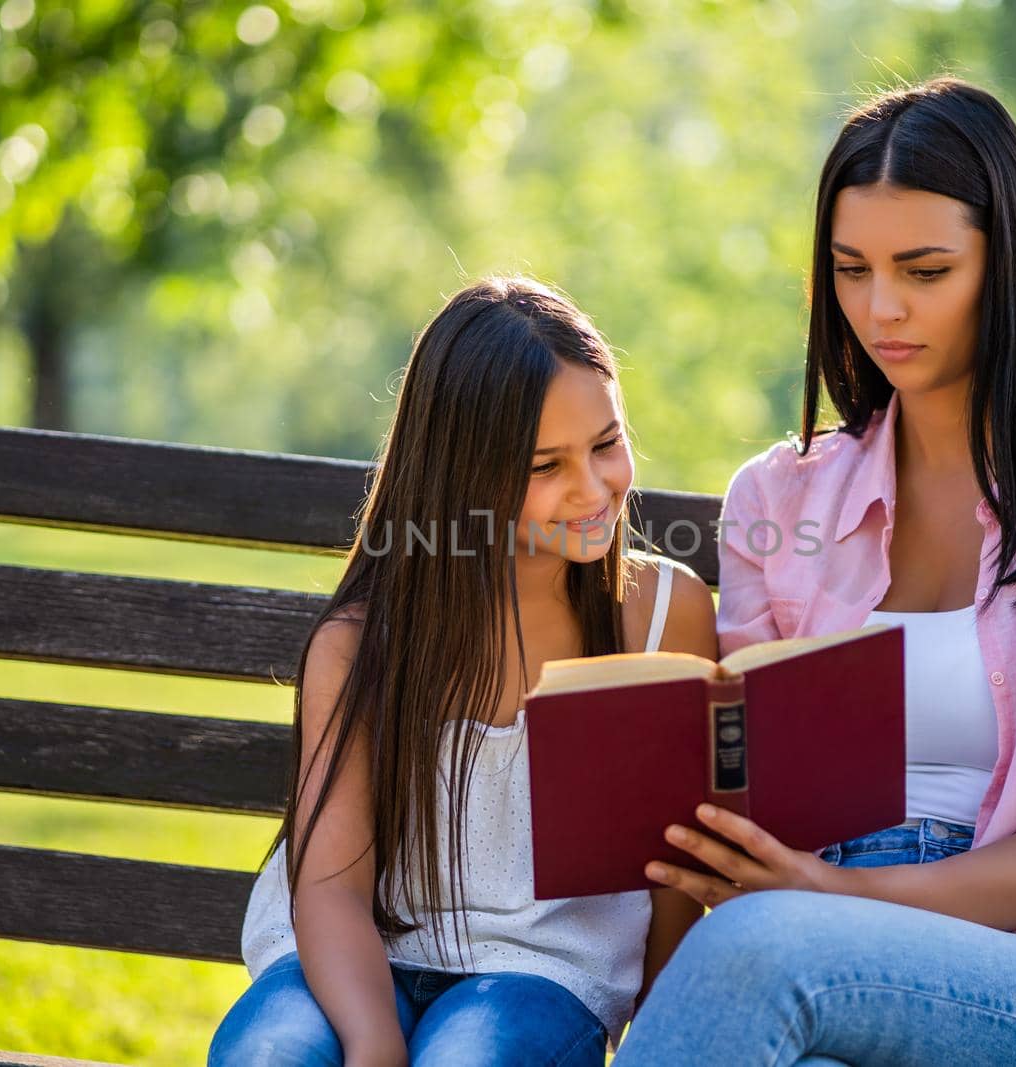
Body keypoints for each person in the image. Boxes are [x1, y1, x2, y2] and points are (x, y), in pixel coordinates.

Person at [616, 78, 1016, 1067]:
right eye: (850, 269)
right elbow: (739, 781)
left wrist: (831, 901)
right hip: (808, 950)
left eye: (924, 269)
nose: (880, 307)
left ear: (1007, 267)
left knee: (764, 948)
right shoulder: (779, 498)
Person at [209, 277, 711, 1066]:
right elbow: (331, 887)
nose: (592, 488)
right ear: (462, 474)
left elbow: (676, 867)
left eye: (606, 443)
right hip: (347, 959)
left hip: (541, 974)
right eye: (547, 465)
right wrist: (374, 1042)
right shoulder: (363, 642)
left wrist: (659, 1030)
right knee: (270, 1055)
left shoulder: (662, 618)